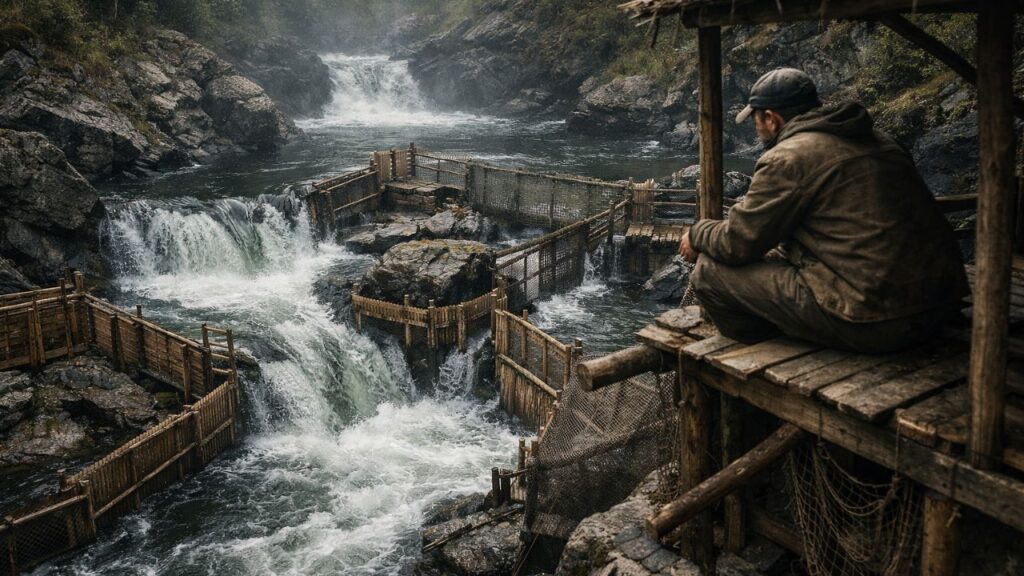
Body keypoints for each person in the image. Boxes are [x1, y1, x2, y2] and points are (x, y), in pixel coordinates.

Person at [678, 68, 969, 353]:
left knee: (709, 272)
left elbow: (737, 243)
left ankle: (770, 349)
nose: (755, 128)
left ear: (771, 119)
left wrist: (697, 232)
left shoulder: (787, 157)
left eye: (755, 119)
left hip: (879, 321)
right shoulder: (883, 140)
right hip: (941, 305)